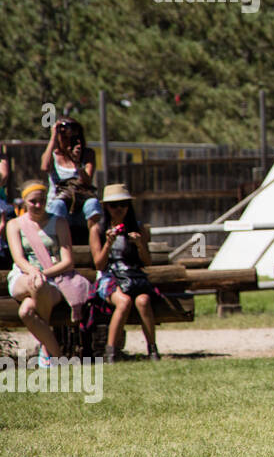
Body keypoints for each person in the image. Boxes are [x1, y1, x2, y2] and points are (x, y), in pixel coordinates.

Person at [5, 181, 78, 367]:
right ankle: (54, 354)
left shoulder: (59, 222)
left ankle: (49, 353)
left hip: (53, 279)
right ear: (24, 202)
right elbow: (18, 258)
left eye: (42, 201)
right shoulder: (14, 224)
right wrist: (33, 272)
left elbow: (68, 260)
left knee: (26, 312)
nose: (38, 205)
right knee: (35, 283)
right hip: (23, 276)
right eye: (33, 201)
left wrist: (43, 273)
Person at [89, 184, 160, 363]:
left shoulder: (137, 228)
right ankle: (111, 352)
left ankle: (153, 350)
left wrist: (139, 244)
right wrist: (108, 244)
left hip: (132, 276)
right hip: (109, 277)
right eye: (114, 205)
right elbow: (99, 264)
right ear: (106, 207)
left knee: (143, 301)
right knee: (124, 302)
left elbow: (147, 262)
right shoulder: (97, 229)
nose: (119, 209)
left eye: (123, 204)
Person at [41, 118, 102, 242]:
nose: (66, 139)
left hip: (80, 210)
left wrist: (77, 162)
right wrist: (53, 136)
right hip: (59, 208)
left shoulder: (87, 154)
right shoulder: (54, 154)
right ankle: (57, 243)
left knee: (93, 204)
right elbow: (45, 167)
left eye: (70, 135)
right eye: (62, 135)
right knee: (58, 205)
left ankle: (94, 242)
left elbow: (87, 181)